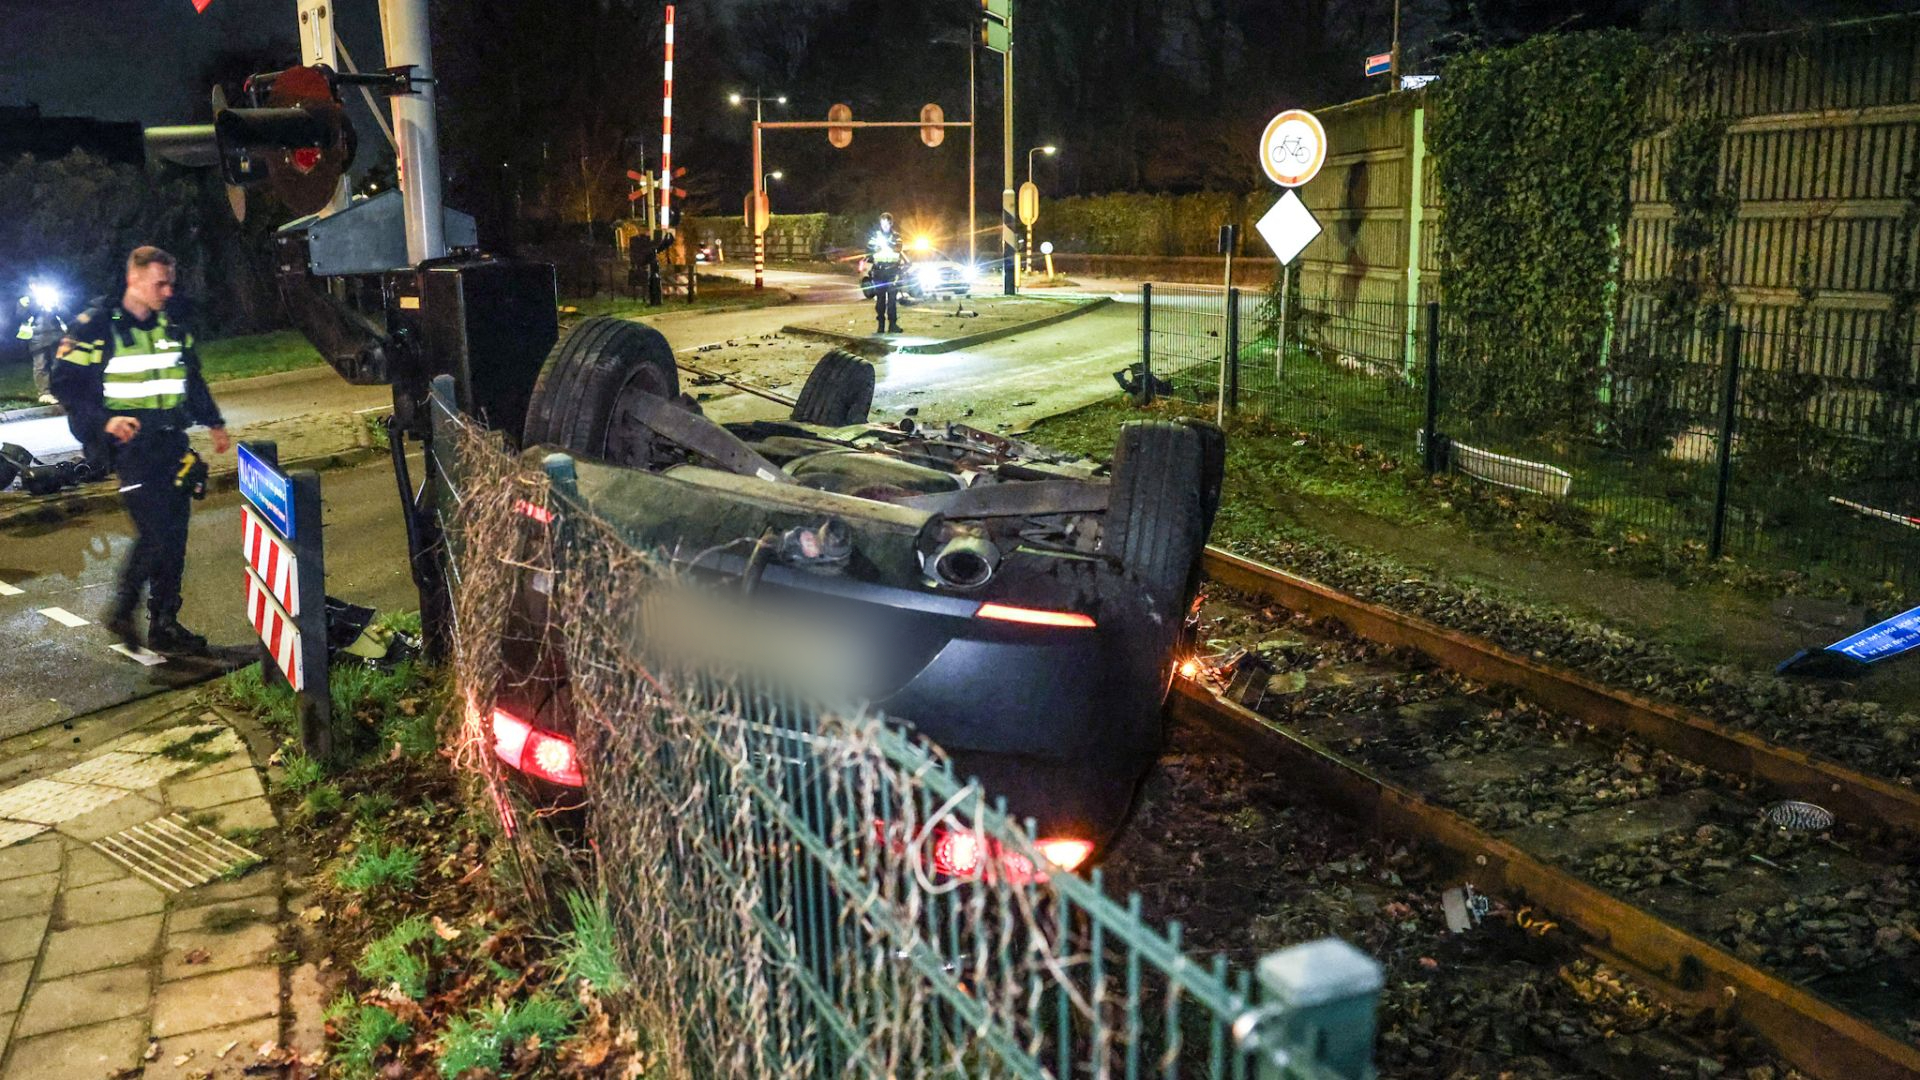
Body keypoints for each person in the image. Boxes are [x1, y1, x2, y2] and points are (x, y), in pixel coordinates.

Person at [50, 246, 230, 655]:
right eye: (159, 283)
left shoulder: (172, 322)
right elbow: (66, 386)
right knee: (156, 533)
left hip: (171, 442)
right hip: (130, 448)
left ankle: (165, 623)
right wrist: (104, 423)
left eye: (171, 283)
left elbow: (191, 376)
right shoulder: (96, 324)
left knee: (175, 534)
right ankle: (122, 608)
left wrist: (214, 421)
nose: (167, 291)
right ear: (134, 278)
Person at [14, 286, 67, 404]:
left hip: (55, 335)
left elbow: (65, 314)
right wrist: (35, 304)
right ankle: (44, 393)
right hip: (37, 337)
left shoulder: (53, 296)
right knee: (40, 366)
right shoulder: (25, 300)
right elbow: (20, 316)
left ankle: (58, 391)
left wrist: (56, 305)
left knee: (57, 365)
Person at [862, 212, 909, 335]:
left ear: (891, 224)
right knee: (880, 300)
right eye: (883, 224)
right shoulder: (875, 237)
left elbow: (898, 248)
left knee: (892, 300)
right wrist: (874, 248)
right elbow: (869, 250)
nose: (885, 226)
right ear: (880, 224)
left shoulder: (896, 236)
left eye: (887, 224)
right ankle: (881, 325)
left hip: (893, 271)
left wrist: (886, 243)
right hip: (879, 271)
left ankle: (892, 324)